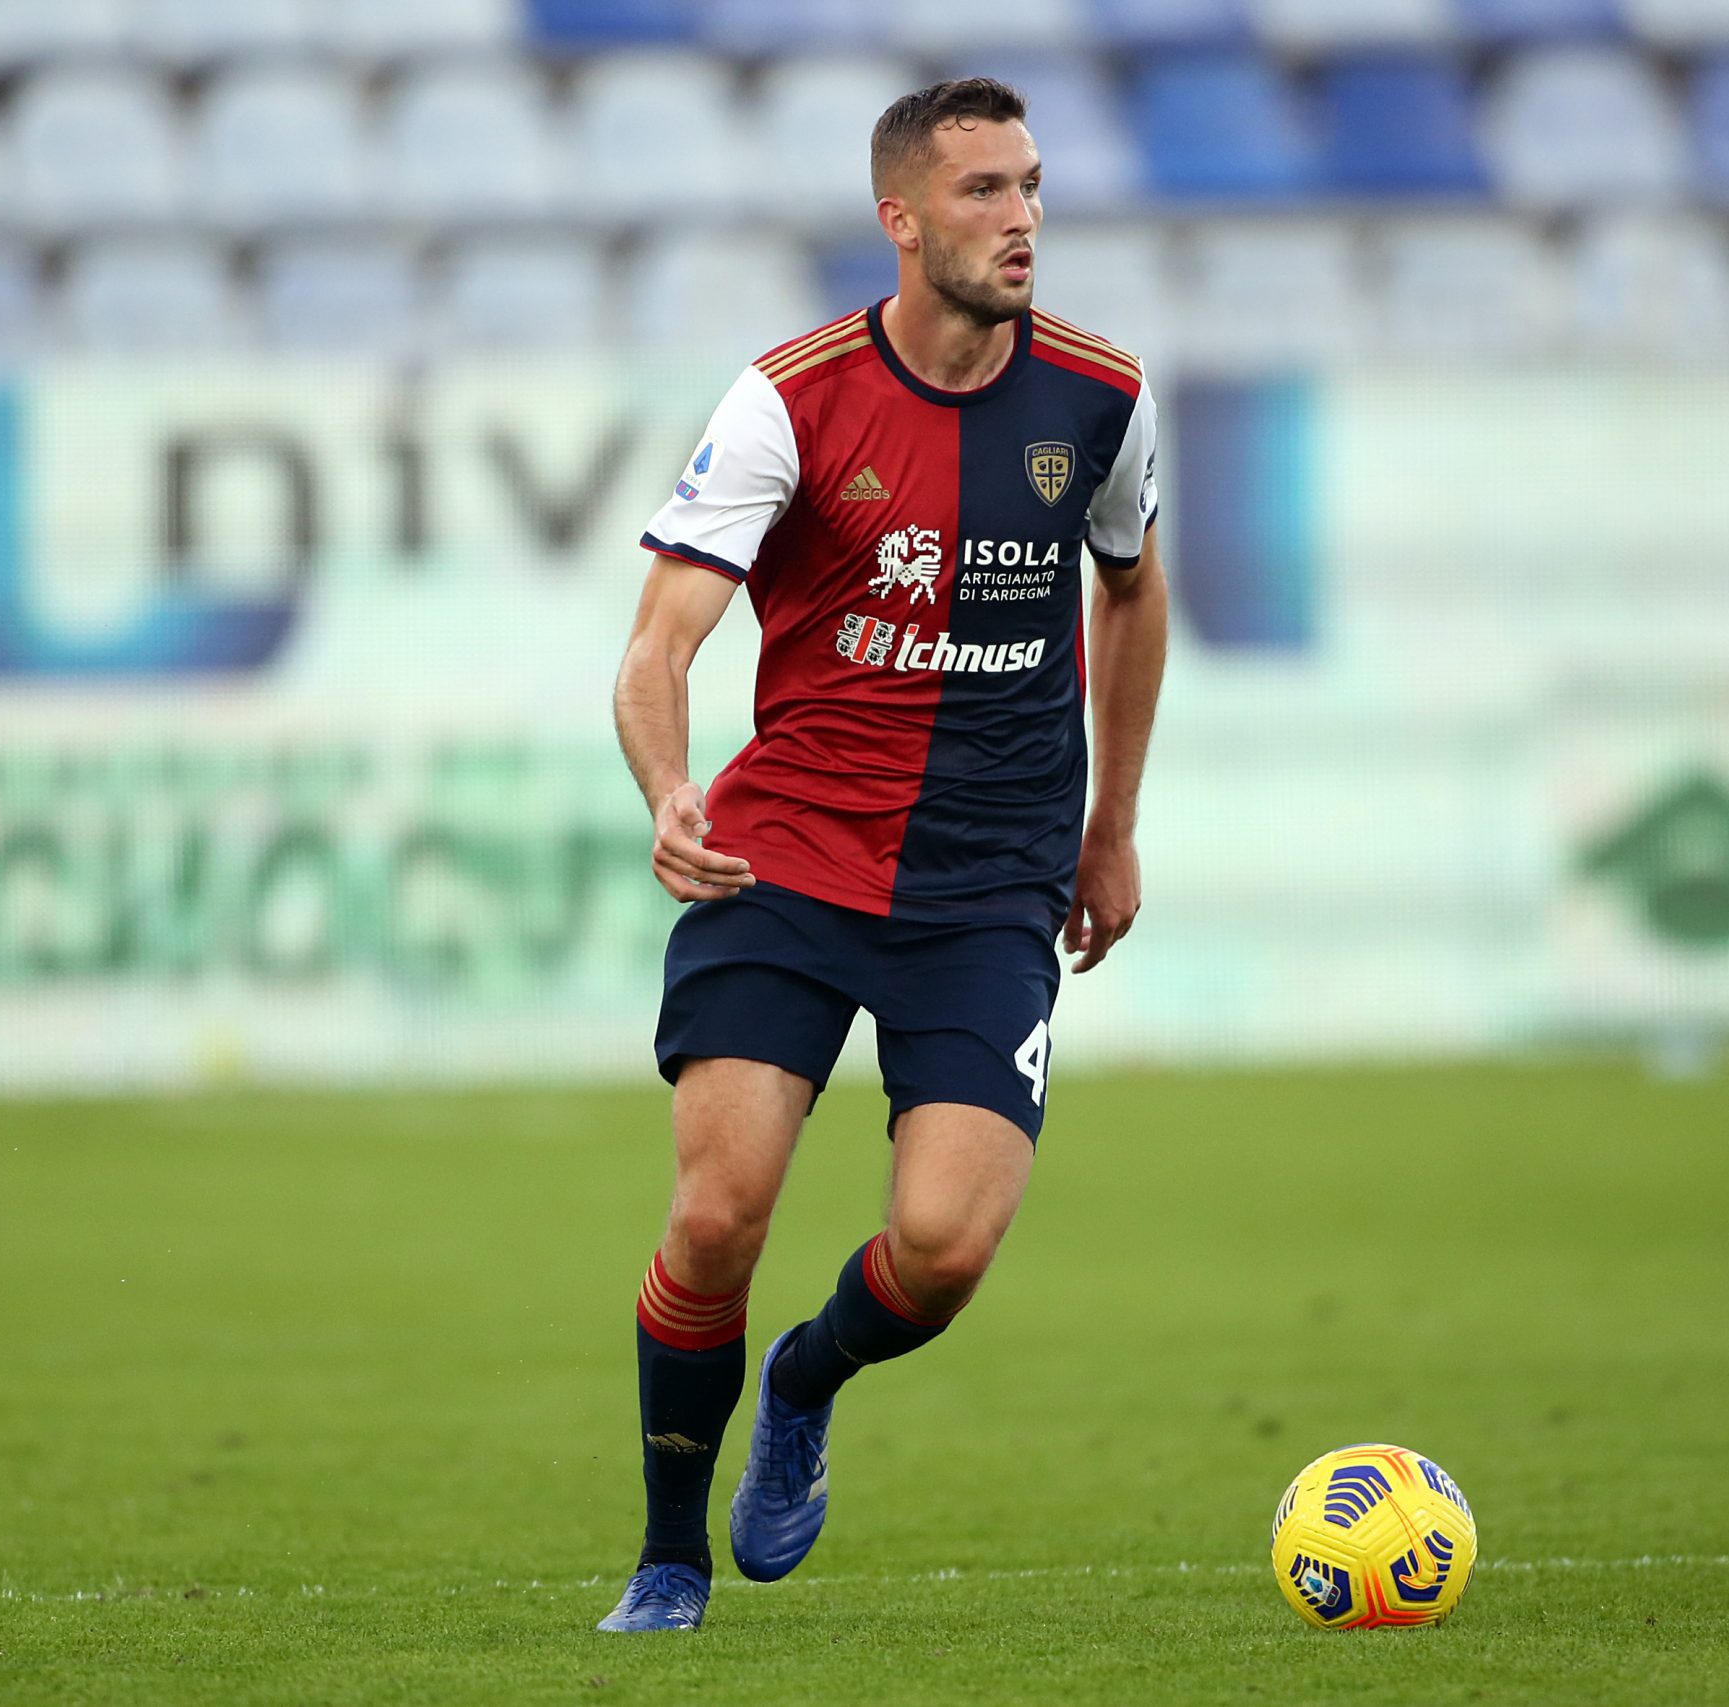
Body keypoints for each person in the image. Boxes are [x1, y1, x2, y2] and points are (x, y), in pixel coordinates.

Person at [596, 76, 1168, 1634]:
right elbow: (660, 644)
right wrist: (667, 790)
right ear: (900, 219)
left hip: (991, 884)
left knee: (944, 1247)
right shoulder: (789, 399)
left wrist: (1110, 825)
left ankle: (806, 1376)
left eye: (1033, 187)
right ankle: (667, 1557)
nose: (1024, 220)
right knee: (716, 1221)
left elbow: (1130, 590)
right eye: (984, 193)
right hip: (783, 862)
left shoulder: (1102, 398)